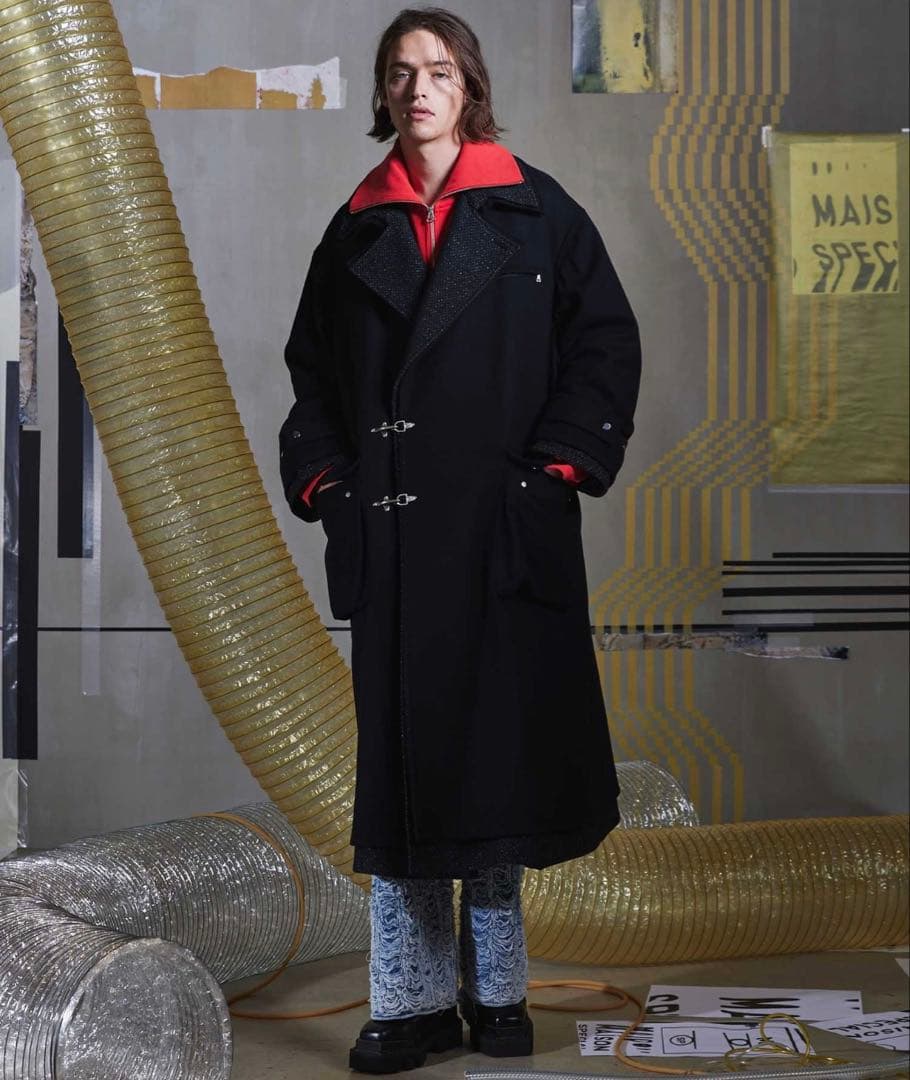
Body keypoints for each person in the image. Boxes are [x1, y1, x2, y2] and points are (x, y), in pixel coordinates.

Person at [279, 7, 641, 1073]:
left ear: (469, 86)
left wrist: (551, 474)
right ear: (382, 93)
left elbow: (605, 346)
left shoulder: (539, 212)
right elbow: (310, 375)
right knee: (406, 786)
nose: (418, 89)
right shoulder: (353, 231)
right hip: (398, 542)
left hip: (504, 534)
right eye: (400, 73)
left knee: (499, 771)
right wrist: (333, 487)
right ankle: (411, 1005)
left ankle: (499, 992)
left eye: (438, 70)